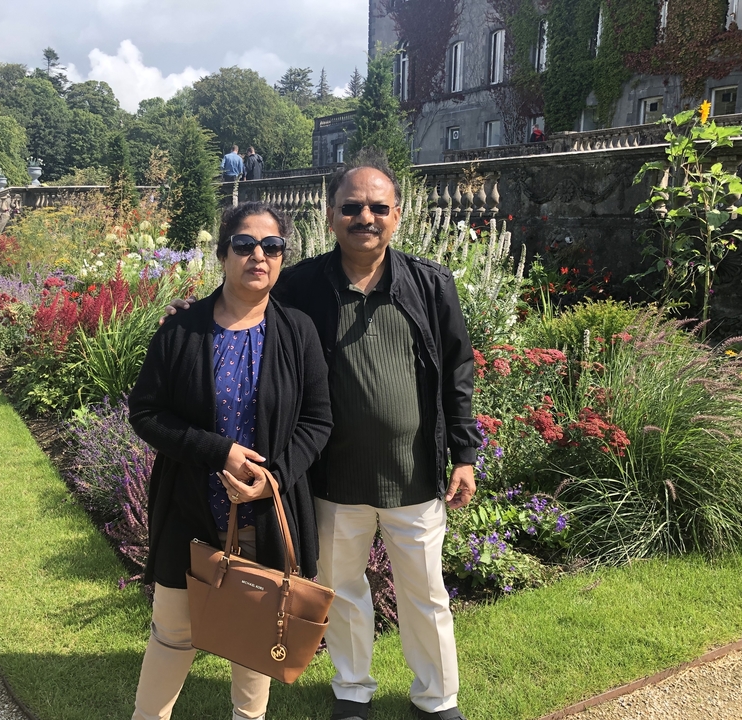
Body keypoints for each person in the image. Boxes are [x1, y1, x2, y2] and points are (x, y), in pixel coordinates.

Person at [165, 157, 482, 720]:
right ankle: (352, 690)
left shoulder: (431, 284)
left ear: (398, 215)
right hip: (332, 476)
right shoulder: (305, 283)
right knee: (344, 591)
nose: (366, 217)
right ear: (331, 215)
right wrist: (192, 319)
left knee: (426, 596)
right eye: (352, 207)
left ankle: (437, 699)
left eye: (378, 207)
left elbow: (457, 371)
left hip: (414, 474)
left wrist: (464, 453)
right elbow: (247, 306)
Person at [127, 201, 333, 720]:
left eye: (271, 246)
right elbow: (147, 412)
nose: (258, 255)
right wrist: (218, 451)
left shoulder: (298, 332)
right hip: (190, 510)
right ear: (223, 255)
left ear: (283, 257)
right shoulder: (183, 330)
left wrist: (274, 479)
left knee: (256, 637)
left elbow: (318, 421)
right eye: (244, 245)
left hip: (262, 514)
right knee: (173, 635)